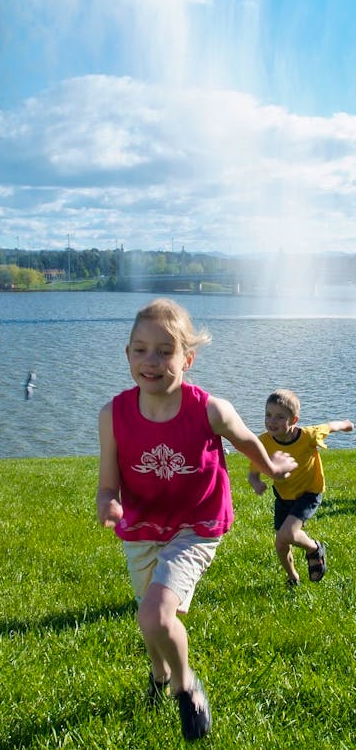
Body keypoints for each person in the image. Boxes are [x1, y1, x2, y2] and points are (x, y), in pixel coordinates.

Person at [97, 299, 297, 742]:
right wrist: (108, 503)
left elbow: (246, 441)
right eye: (140, 350)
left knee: (155, 613)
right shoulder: (113, 415)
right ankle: (159, 674)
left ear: (187, 359)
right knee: (151, 619)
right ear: (127, 354)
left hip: (196, 526)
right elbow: (107, 483)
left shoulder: (210, 410)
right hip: (142, 529)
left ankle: (186, 687)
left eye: (164, 351)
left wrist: (272, 467)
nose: (151, 361)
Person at [248, 388, 354, 588]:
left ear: (294, 420)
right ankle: (293, 577)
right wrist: (256, 483)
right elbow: (253, 473)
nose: (272, 421)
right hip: (283, 497)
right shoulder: (263, 442)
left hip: (309, 493)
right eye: (268, 415)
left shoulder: (308, 435)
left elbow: (330, 426)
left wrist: (346, 424)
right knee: (281, 544)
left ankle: (314, 548)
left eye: (280, 417)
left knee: (287, 534)